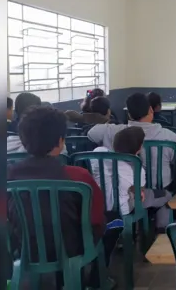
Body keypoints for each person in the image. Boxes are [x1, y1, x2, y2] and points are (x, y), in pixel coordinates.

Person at [7, 106, 110, 288]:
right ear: (61, 141)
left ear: (23, 140)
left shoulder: (8, 177)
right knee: (108, 222)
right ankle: (93, 281)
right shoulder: (78, 176)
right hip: (72, 249)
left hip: (25, 249)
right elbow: (96, 218)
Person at [87, 92, 176, 190]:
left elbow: (91, 133)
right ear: (151, 109)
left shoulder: (113, 131)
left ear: (129, 114)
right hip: (161, 188)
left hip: (125, 189)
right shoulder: (171, 137)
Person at [92, 126, 173, 228]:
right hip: (124, 209)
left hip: (101, 205)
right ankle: (162, 231)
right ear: (139, 148)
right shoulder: (137, 169)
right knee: (167, 195)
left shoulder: (98, 153)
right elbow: (140, 194)